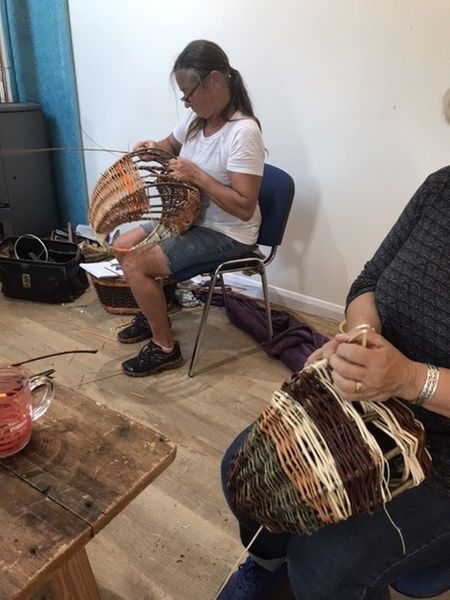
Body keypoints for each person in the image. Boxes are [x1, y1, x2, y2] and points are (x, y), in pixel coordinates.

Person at [218, 166, 450, 599]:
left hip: (443, 460)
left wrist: (408, 378)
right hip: (371, 406)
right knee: (242, 471)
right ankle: (271, 566)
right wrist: (362, 342)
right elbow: (369, 284)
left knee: (326, 564)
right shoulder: (442, 188)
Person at [113, 40, 265, 377]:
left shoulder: (243, 133)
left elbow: (243, 207)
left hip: (227, 232)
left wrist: (196, 175)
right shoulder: (197, 119)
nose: (187, 101)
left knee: (137, 264)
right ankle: (156, 309)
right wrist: (151, 148)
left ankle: (165, 347)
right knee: (124, 245)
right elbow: (168, 146)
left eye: (189, 92)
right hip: (190, 219)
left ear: (214, 80)